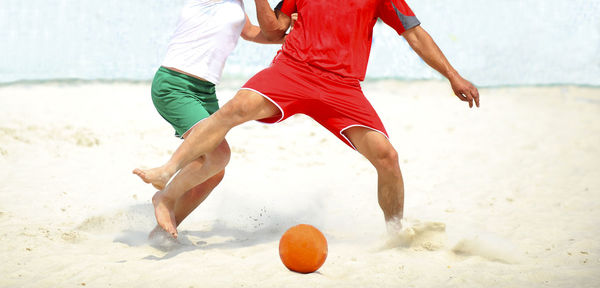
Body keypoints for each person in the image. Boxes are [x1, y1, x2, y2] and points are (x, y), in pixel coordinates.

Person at [134, 0, 480, 239]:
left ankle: (395, 231)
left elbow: (415, 34)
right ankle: (168, 172)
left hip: (343, 86)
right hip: (292, 71)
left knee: (387, 157)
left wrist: (453, 75)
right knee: (236, 109)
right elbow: (274, 28)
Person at [133, 0, 285, 238]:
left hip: (205, 92)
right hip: (175, 85)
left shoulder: (235, 3)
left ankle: (162, 234)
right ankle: (164, 197)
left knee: (213, 171)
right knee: (219, 154)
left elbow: (252, 32)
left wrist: (297, 36)